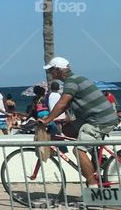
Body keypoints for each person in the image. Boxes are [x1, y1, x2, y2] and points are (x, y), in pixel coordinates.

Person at [40, 57, 118, 188]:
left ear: (58, 70)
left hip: (99, 121)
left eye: (51, 70)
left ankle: (93, 186)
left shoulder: (71, 82)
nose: (50, 73)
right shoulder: (77, 79)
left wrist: (47, 120)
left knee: (78, 150)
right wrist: (67, 119)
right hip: (100, 117)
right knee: (67, 129)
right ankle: (95, 161)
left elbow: (62, 104)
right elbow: (75, 104)